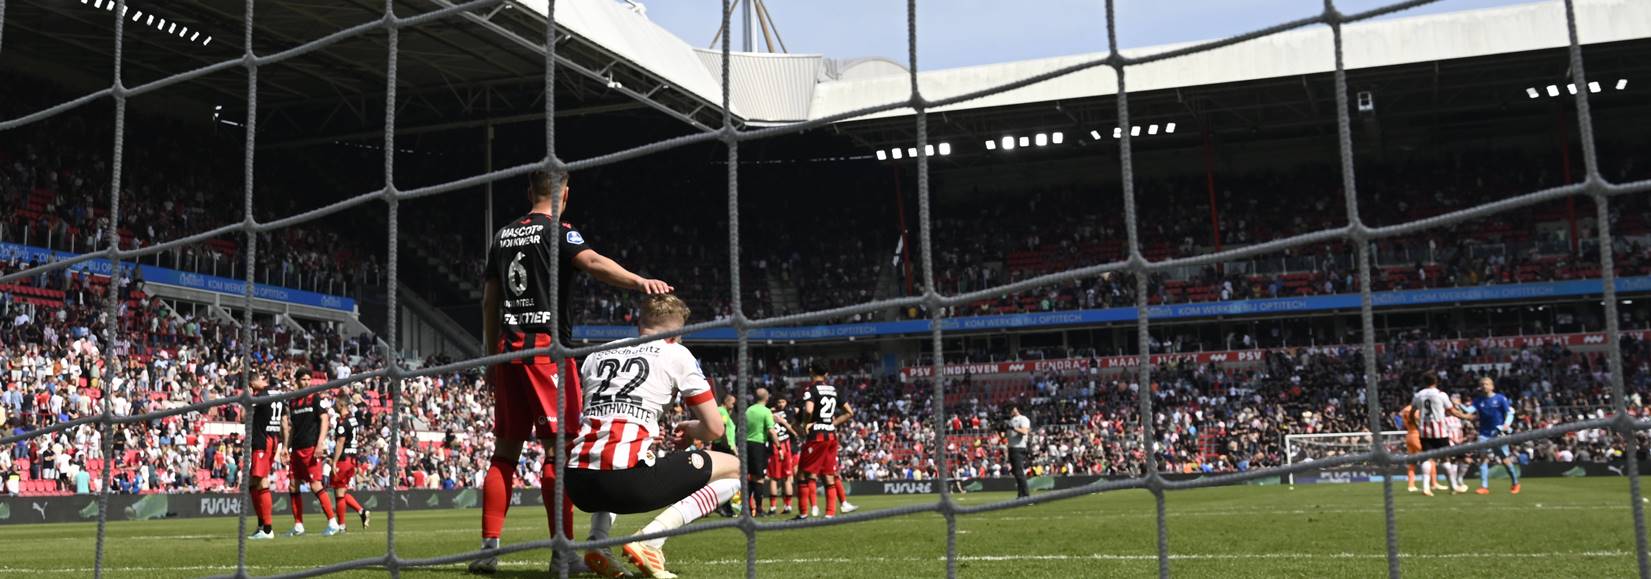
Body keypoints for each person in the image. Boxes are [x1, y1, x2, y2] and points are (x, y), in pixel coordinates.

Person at [473, 169, 672, 574]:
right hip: (547, 351)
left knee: (504, 453)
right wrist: (638, 281)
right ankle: (561, 553)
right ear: (565, 193)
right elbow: (593, 262)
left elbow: (489, 300)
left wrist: (489, 355)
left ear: (530, 190)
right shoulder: (559, 231)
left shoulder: (503, 235)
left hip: (506, 353)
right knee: (557, 452)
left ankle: (487, 550)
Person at [565, 294, 741, 579]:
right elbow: (715, 428)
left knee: (616, 458)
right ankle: (649, 541)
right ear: (677, 333)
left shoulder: (595, 355)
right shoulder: (676, 354)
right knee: (734, 468)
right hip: (625, 482)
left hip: (577, 482)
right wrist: (689, 428)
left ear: (640, 323)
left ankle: (598, 542)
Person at [281, 368, 339, 537]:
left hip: (311, 448)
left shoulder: (315, 398)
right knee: (293, 484)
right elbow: (292, 428)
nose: (307, 382)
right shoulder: (292, 402)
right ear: (297, 381)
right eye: (304, 379)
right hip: (296, 450)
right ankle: (298, 525)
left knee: (315, 485)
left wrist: (320, 444)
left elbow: (325, 420)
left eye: (309, 379)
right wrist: (285, 446)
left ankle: (332, 522)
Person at [796, 368, 854, 520]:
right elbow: (849, 412)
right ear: (827, 373)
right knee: (828, 474)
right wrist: (832, 423)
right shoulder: (834, 390)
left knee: (802, 473)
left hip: (816, 435)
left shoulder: (811, 390)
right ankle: (830, 513)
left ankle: (803, 514)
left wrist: (806, 424)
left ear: (811, 372)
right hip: (831, 435)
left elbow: (809, 411)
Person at [1407, 374, 1472, 497]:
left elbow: (1412, 413)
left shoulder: (1418, 395)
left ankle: (1426, 487)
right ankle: (1453, 486)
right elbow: (1451, 411)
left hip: (1424, 430)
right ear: (1436, 381)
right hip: (1440, 431)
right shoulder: (1441, 395)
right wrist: (1465, 416)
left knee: (1426, 458)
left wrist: (1416, 424)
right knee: (1445, 458)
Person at [245, 371, 283, 540]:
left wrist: (247, 398)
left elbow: (244, 417)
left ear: (251, 385)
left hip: (262, 441)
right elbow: (284, 421)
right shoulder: (277, 394)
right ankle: (262, 525)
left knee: (261, 481)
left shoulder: (260, 396)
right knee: (252, 483)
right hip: (273, 438)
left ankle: (267, 529)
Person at [1469, 376, 1521, 495]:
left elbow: (1509, 413)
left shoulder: (1500, 398)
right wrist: (1457, 406)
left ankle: (1515, 483)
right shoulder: (1478, 400)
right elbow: (1469, 410)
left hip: (1498, 433)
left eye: (1487, 384)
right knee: (1483, 458)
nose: (1484, 386)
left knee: (1505, 459)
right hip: (1484, 434)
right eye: (1482, 384)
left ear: (1492, 386)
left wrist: (1506, 424)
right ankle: (1484, 487)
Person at [328, 394, 370, 533]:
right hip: (352, 459)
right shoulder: (353, 420)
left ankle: (342, 526)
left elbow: (340, 442)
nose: (334, 404)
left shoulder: (343, 421)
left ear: (341, 404)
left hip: (343, 459)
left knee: (339, 493)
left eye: (336, 402)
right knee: (342, 491)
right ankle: (361, 511)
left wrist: (334, 461)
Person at [743, 387, 778, 516]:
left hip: (746, 445)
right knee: (759, 478)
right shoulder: (766, 411)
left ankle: (746, 508)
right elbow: (771, 431)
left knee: (749, 477)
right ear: (767, 398)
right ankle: (758, 509)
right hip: (758, 445)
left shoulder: (748, 410)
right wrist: (779, 447)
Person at [766, 397, 800, 516]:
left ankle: (774, 507)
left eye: (783, 401)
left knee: (775, 478)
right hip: (786, 445)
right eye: (779, 402)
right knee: (786, 477)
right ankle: (787, 505)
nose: (781, 404)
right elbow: (797, 410)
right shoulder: (788, 412)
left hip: (777, 445)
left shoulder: (769, 413)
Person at [1007, 405, 1032, 499]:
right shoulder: (1011, 420)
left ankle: (1025, 495)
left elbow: (1024, 431)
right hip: (1012, 447)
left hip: (1019, 447)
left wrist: (1013, 428)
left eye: (1012, 409)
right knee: (1016, 473)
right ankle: (1021, 494)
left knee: (1019, 472)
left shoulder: (1023, 419)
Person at [1400, 402, 1422, 493]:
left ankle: (1411, 485)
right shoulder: (1416, 410)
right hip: (1416, 435)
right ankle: (1432, 483)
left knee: (1412, 463)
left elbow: (1403, 423)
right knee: (1429, 459)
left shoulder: (1404, 411)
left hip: (1409, 435)